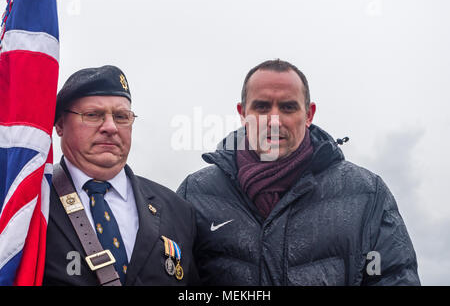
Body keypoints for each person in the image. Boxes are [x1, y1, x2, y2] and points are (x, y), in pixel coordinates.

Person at [176, 59, 420, 286]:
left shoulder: (368, 195)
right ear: (242, 113)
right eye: (261, 107)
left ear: (309, 114)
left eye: (288, 107)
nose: (273, 120)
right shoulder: (195, 194)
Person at [44, 65, 198, 285]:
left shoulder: (177, 210)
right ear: (60, 125)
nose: (110, 127)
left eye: (121, 116)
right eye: (93, 115)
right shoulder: (31, 203)